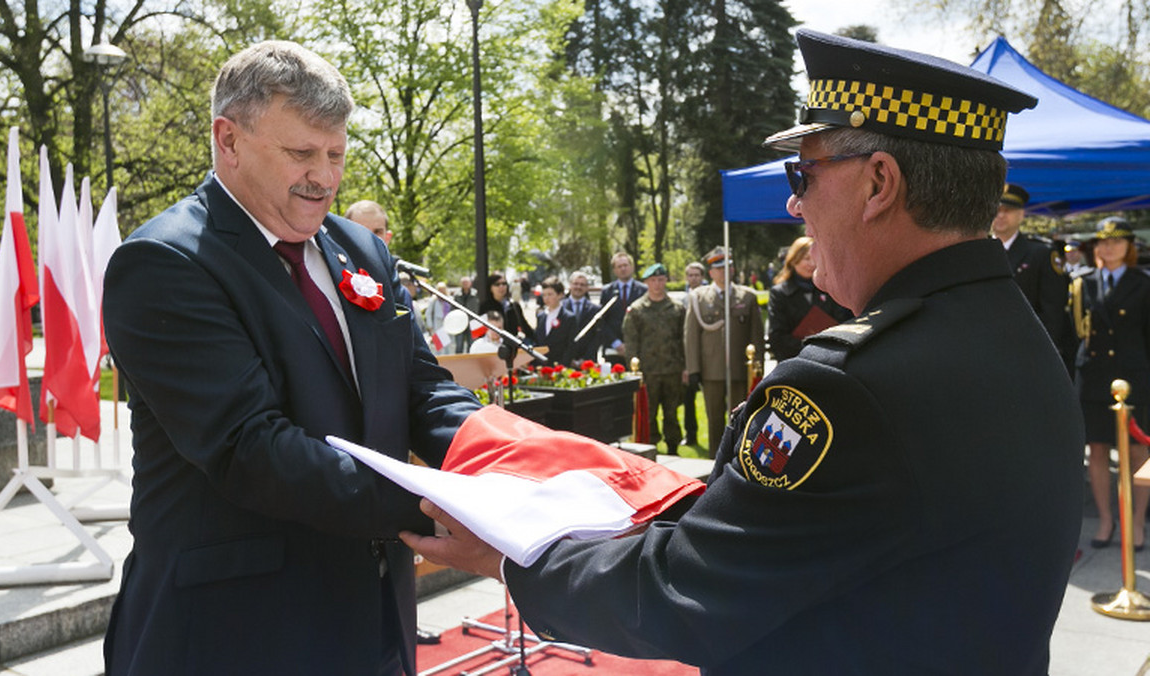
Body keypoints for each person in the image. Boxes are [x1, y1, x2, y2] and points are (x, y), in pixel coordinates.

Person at [403, 29, 1083, 675]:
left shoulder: (850, 386)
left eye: (806, 172)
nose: (794, 203)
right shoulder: (1014, 331)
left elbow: (680, 594)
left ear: (880, 183)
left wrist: (513, 558)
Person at [101, 41, 480, 676]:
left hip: (375, 622)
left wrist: (504, 461)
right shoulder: (165, 263)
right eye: (301, 153)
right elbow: (251, 449)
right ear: (230, 140)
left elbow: (421, 389)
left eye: (335, 154)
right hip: (235, 634)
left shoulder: (362, 251)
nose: (325, 177)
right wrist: (446, 508)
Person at [1071, 216, 1149, 550]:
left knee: (1137, 451)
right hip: (1094, 376)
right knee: (1098, 449)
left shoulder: (1143, 283)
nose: (1109, 246)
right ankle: (1106, 520)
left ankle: (1136, 522)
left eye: (1117, 240)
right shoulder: (1083, 282)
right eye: (1102, 241)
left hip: (1133, 377)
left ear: (1129, 246)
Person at [684, 246, 765, 457]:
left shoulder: (747, 296)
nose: (724, 272)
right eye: (719, 268)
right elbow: (691, 336)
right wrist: (693, 369)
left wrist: (757, 370)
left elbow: (756, 336)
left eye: (728, 267)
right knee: (714, 419)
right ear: (711, 272)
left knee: (741, 418)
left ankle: (738, 459)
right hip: (711, 369)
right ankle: (714, 461)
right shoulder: (699, 297)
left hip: (740, 369)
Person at [991, 183, 1072, 367]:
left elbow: (1053, 312)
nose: (1001, 215)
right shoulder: (978, 253)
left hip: (1027, 352)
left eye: (1008, 210)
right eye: (996, 209)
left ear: (1021, 214)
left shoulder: (1041, 254)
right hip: (987, 351)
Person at [622, 263, 687, 455]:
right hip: (647, 372)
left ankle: (673, 448)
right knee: (648, 414)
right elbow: (631, 343)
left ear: (666, 280)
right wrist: (634, 371)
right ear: (646, 283)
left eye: (661, 279)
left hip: (672, 370)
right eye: (653, 280)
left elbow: (683, 339)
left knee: (671, 413)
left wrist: (685, 367)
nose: (657, 284)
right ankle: (651, 450)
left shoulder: (677, 308)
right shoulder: (636, 309)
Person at [767, 235, 852, 361]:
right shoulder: (779, 293)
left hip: (828, 361)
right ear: (793, 260)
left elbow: (841, 323)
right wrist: (811, 346)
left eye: (815, 259)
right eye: (806, 259)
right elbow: (777, 337)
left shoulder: (829, 289)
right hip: (793, 363)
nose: (812, 264)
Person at [598, 252, 646, 362]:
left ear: (632, 267)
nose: (623, 269)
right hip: (613, 349)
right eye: (619, 266)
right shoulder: (607, 291)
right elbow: (602, 321)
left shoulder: (643, 290)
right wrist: (616, 343)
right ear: (614, 270)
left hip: (638, 349)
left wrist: (632, 344)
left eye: (625, 265)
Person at [681, 262, 706, 445]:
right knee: (688, 400)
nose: (693, 278)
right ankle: (691, 436)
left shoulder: (708, 297)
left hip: (708, 356)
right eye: (690, 275)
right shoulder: (682, 300)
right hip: (689, 359)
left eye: (697, 275)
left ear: (702, 277)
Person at [533, 275, 577, 365]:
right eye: (544, 295)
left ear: (560, 295)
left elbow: (570, 346)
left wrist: (562, 366)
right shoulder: (541, 316)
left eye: (550, 294)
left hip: (559, 365)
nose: (546, 298)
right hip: (542, 365)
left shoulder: (568, 317)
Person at [478, 272, 534, 343]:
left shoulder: (513, 305)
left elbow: (524, 326)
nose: (501, 287)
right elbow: (478, 332)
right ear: (490, 288)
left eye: (504, 284)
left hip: (512, 346)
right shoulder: (485, 307)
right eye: (497, 284)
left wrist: (534, 340)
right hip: (492, 347)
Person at [564, 270, 601, 364]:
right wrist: (568, 358)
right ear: (570, 285)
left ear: (587, 288)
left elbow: (597, 338)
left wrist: (586, 359)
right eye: (575, 284)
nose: (578, 287)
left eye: (582, 285)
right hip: (565, 360)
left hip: (587, 362)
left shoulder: (595, 310)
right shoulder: (560, 308)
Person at [424, 281, 453, 355]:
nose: (442, 291)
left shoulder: (449, 299)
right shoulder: (433, 300)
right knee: (439, 346)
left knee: (447, 346)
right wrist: (430, 326)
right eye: (440, 289)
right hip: (437, 324)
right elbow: (428, 313)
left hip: (448, 324)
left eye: (443, 289)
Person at [453, 276, 480, 353]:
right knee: (459, 344)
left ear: (470, 283)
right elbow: (453, 308)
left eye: (466, 282)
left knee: (472, 343)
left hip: (472, 321)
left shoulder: (476, 293)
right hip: (459, 322)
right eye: (463, 283)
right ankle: (458, 361)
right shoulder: (457, 295)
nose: (465, 284)